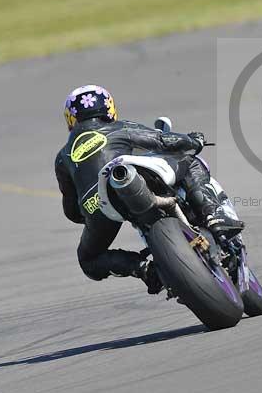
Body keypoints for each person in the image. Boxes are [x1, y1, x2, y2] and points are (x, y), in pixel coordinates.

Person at [54, 84, 244, 294]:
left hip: (100, 208)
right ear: (109, 108)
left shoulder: (63, 157)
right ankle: (213, 216)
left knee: (88, 259)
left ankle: (143, 269)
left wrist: (94, 212)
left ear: (70, 118)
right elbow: (162, 140)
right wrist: (193, 140)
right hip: (131, 183)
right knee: (190, 162)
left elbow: (71, 210)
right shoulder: (119, 127)